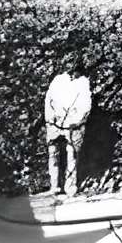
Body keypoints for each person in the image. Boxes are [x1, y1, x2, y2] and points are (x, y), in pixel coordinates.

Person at [43, 57, 92, 197]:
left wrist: (75, 121)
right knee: (53, 154)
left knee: (72, 156)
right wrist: (51, 119)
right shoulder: (58, 80)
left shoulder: (84, 83)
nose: (72, 73)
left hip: (73, 127)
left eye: (75, 70)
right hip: (54, 125)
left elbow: (85, 106)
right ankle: (54, 186)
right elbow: (49, 100)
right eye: (70, 68)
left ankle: (70, 188)